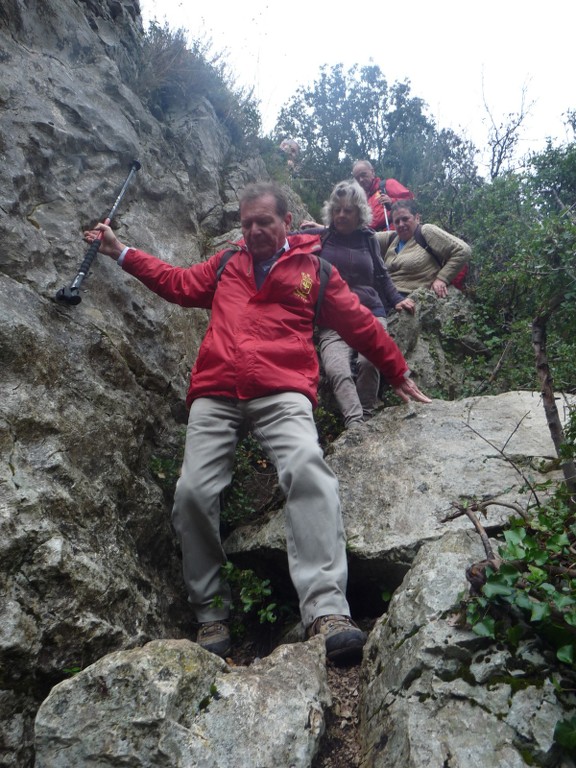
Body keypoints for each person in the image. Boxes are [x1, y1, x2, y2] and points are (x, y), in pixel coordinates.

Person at [84, 181, 431, 666]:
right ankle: (211, 612)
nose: (253, 231)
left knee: (307, 467)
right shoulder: (227, 264)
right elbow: (179, 284)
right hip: (217, 390)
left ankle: (328, 611)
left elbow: (360, 323)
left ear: (286, 221)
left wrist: (396, 371)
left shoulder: (316, 270)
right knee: (192, 492)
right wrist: (121, 253)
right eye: (246, 223)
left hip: (283, 387)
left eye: (263, 222)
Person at [300, 180, 415, 429]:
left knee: (368, 361)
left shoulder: (369, 239)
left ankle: (368, 413)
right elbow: (291, 250)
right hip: (333, 320)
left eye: (348, 210)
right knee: (337, 369)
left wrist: (396, 299)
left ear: (359, 213)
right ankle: (357, 426)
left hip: (369, 312)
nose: (341, 215)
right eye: (337, 209)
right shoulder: (321, 239)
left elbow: (382, 275)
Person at [376, 199, 471, 299]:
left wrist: (442, 278)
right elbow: (365, 236)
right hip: (384, 294)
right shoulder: (392, 238)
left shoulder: (426, 232)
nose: (401, 224)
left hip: (410, 297)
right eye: (397, 221)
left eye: (405, 219)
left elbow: (463, 250)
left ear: (417, 218)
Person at [352, 160, 414, 232]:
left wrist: (392, 201)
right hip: (373, 238)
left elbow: (410, 200)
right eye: (357, 178)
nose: (361, 180)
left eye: (363, 175)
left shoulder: (388, 185)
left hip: (395, 234)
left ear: (372, 172)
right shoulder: (360, 199)